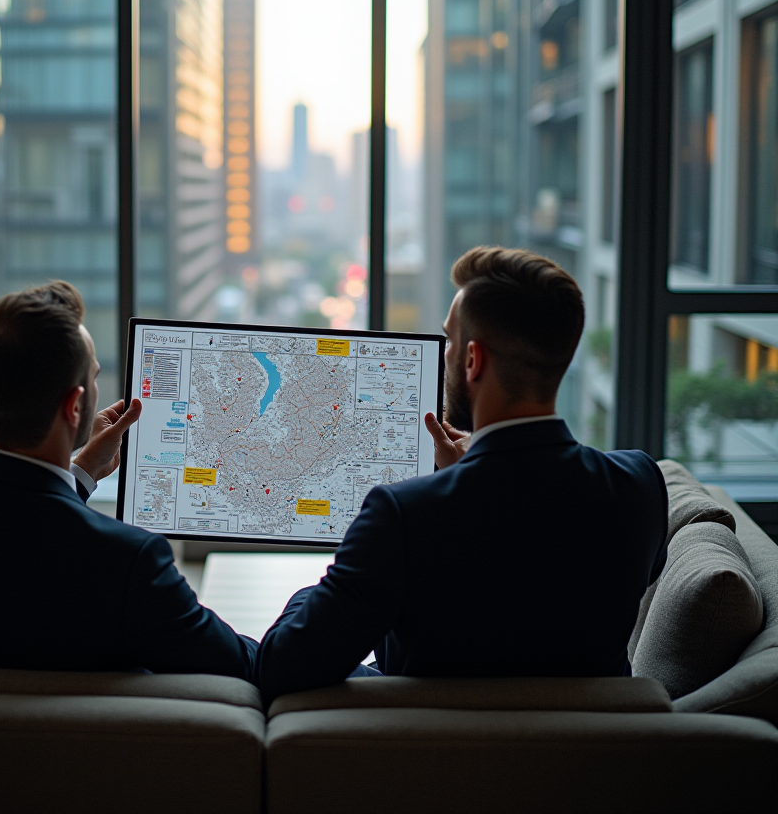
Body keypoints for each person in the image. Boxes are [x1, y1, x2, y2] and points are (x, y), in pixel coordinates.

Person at [255, 246, 667, 707]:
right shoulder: (640, 485)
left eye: (449, 341)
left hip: (437, 767)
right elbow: (549, 556)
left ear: (473, 360)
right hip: (595, 763)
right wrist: (468, 480)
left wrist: (321, 589)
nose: (446, 353)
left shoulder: (403, 516)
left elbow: (282, 666)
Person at [0, 281, 256, 680]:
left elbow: (2, 541)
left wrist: (82, 473)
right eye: (93, 377)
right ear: (75, 405)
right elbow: (237, 663)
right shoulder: (128, 561)